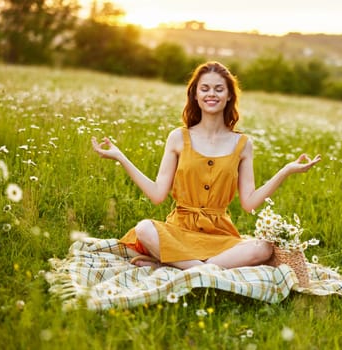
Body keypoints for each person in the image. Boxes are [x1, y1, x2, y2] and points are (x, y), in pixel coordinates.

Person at [91, 61, 321, 270]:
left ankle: (177, 264)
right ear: (195, 95)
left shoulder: (243, 144)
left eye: (219, 89)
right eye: (205, 88)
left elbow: (249, 203)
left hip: (219, 235)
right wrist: (121, 157)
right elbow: (157, 195)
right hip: (180, 230)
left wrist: (286, 170)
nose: (212, 94)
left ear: (229, 95)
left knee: (262, 248)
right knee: (143, 229)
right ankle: (203, 268)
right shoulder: (178, 137)